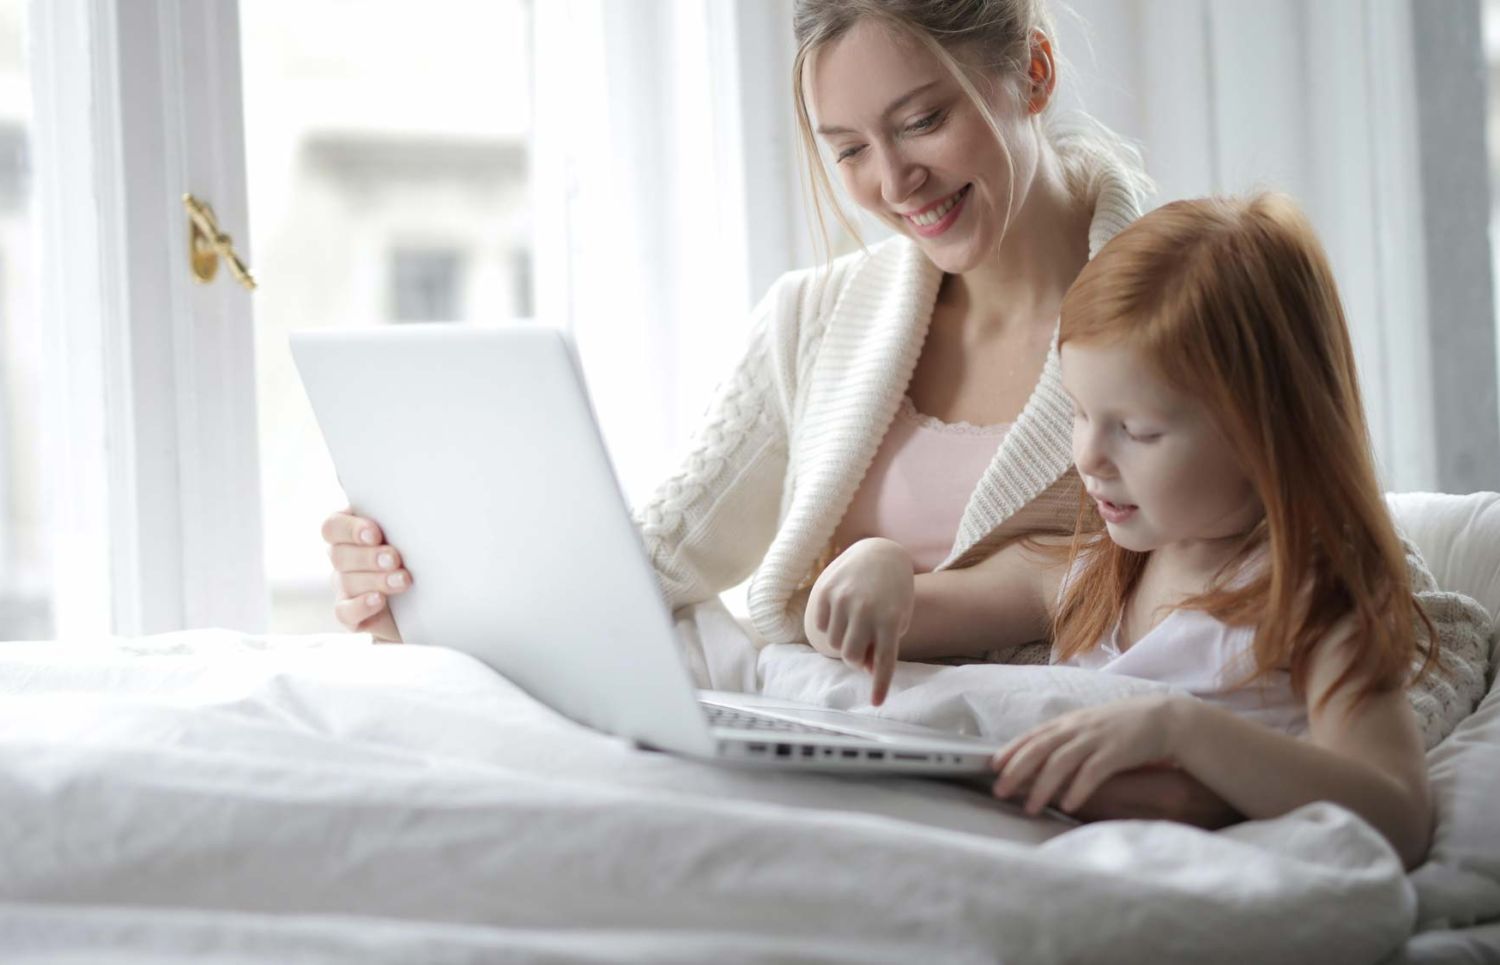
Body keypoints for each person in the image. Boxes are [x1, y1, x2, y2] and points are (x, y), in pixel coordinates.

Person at [320, 1, 1466, 827]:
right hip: (839, 727)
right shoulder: (819, 321)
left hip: (1003, 767)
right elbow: (652, 565)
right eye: (850, 150)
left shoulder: (1181, 301)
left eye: (921, 122)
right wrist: (427, 589)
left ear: (1033, 73)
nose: (893, 182)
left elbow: (1332, 563)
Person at [811, 193, 1437, 867]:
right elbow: (866, 633)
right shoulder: (1084, 571)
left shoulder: (1312, 600)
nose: (1087, 457)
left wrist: (1182, 729)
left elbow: (1396, 814)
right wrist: (876, 566)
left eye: (1135, 430)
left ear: (1265, 433)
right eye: (1079, 413)